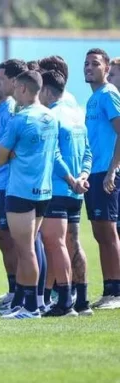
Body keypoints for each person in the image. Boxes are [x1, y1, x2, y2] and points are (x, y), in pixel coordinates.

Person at [0, 70, 60, 319]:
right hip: (44, 191)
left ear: (23, 89)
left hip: (21, 191)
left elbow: (0, 158)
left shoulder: (20, 120)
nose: (12, 91)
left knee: (25, 250)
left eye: (14, 86)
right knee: (29, 247)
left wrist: (12, 153)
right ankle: (25, 304)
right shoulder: (50, 116)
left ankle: (31, 307)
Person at [39, 70, 92, 317]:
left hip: (59, 188)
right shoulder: (76, 115)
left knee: (55, 244)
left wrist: (71, 180)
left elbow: (54, 155)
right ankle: (81, 301)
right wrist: (83, 176)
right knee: (71, 243)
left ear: (47, 90)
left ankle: (65, 303)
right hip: (76, 192)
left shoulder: (51, 116)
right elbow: (88, 152)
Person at [0, 59, 27, 309]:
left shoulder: (12, 110)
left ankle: (23, 292)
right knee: (4, 239)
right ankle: (14, 289)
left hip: (8, 185)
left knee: (14, 240)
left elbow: (11, 151)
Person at [83, 48, 120, 309]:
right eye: (86, 63)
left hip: (106, 173)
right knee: (99, 233)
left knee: (108, 232)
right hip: (94, 172)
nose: (89, 67)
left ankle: (116, 292)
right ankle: (109, 290)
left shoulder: (109, 94)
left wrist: (112, 170)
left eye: (95, 63)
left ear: (106, 69)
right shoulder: (93, 99)